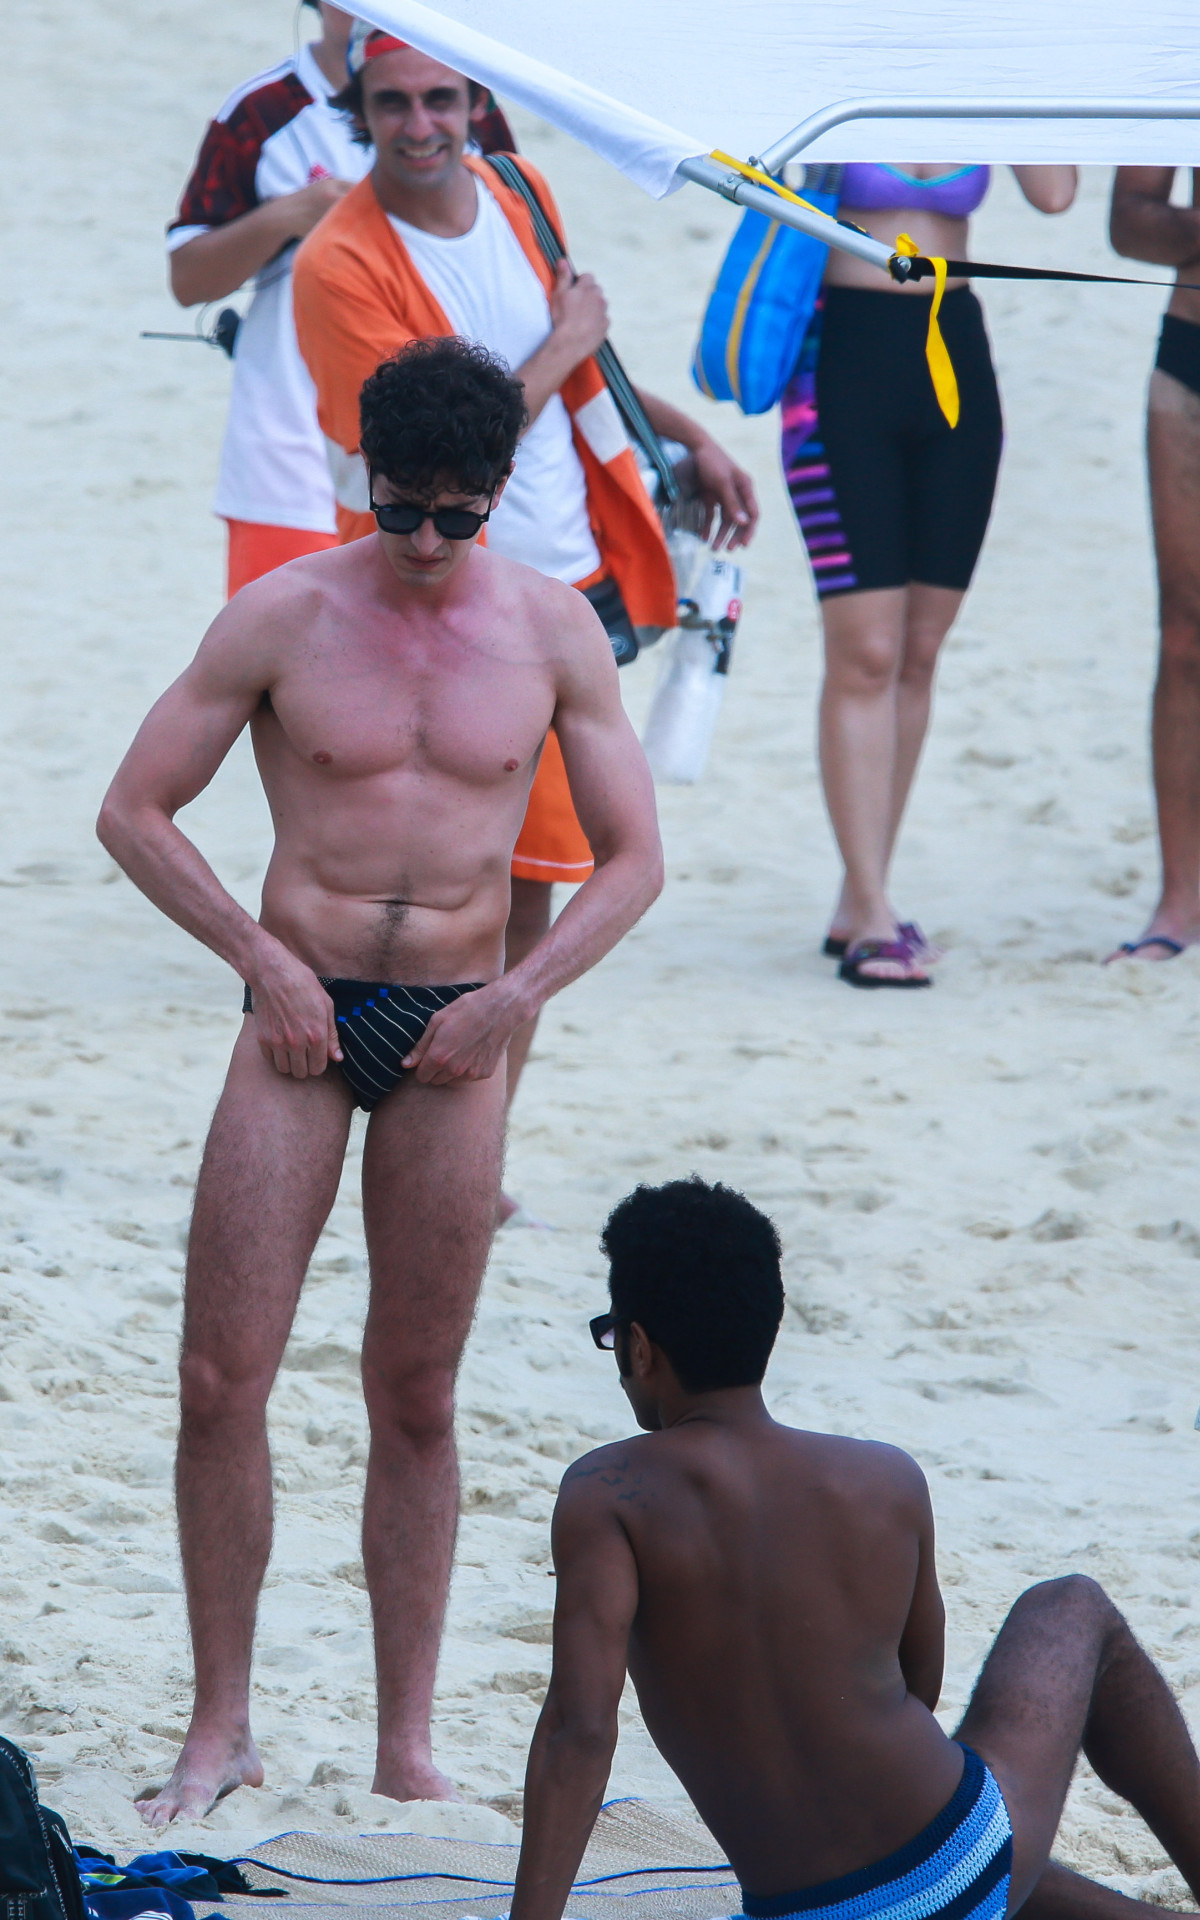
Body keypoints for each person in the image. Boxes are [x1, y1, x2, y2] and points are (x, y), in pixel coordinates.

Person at [96, 338, 663, 1826]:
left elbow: (637, 861)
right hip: (294, 1015)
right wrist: (259, 956)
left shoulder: (550, 633)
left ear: (498, 495)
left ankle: (407, 1742)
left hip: (457, 1032)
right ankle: (221, 1726)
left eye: (456, 517)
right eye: (402, 509)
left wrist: (518, 998)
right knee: (222, 1377)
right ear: (364, 476)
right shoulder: (283, 614)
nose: (425, 543)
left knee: (415, 1392)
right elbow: (136, 812)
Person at [292, 28, 757, 1209]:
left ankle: (476, 1134)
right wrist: (563, 345)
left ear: (476, 102)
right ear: (360, 108)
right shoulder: (340, 263)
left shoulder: (520, 188)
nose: (420, 125)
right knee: (434, 875)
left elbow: (584, 367)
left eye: (442, 98)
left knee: (536, 884)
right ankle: (406, 1125)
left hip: (567, 577)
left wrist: (690, 435)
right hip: (436, 586)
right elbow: (412, 454)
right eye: (392, 103)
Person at [509, 1175, 1200, 1920]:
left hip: (810, 1907)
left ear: (640, 1349)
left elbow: (579, 1731)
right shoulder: (882, 1478)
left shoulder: (607, 1493)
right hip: (957, 1872)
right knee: (1070, 1607)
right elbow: (919, 1685)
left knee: (953, 1859)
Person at [781, 165, 1077, 986]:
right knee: (865, 650)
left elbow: (1055, 195)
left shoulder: (970, 69)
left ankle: (861, 894)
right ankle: (874, 911)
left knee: (918, 648)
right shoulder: (843, 50)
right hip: (841, 353)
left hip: (954, 347)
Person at [167, 3, 370, 598]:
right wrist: (293, 213)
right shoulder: (262, 111)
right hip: (291, 464)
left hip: (439, 468)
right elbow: (188, 279)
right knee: (281, 681)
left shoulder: (460, 104)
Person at [1106, 170, 1200, 962]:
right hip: (1193, 342)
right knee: (1185, 638)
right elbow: (1128, 221)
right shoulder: (1180, 49)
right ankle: (1179, 900)